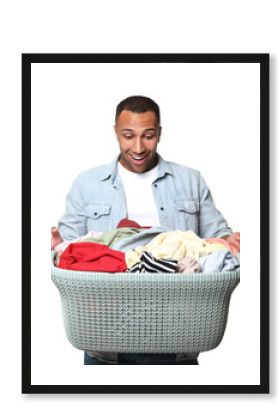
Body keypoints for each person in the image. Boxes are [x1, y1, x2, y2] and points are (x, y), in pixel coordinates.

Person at [51, 95, 240, 365]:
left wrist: (230, 241)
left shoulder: (190, 181)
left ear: (160, 134)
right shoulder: (87, 184)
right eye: (128, 136)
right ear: (116, 132)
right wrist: (55, 244)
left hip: (178, 332)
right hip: (105, 336)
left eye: (148, 136)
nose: (138, 146)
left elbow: (216, 241)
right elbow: (69, 253)